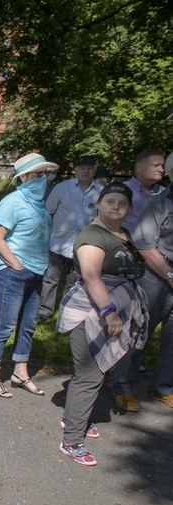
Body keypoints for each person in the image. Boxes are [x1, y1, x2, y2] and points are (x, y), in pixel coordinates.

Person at [56, 183, 147, 465]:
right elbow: (92, 275)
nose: (116, 206)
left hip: (113, 311)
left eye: (122, 203)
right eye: (110, 201)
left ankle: (76, 418)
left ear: (130, 208)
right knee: (90, 374)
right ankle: (71, 441)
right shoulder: (93, 235)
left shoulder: (121, 234)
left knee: (98, 371)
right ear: (99, 203)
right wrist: (109, 312)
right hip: (92, 313)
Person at [0, 153, 58, 399]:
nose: (42, 178)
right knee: (4, 325)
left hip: (36, 272)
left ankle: (20, 372)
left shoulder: (40, 204)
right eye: (37, 174)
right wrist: (15, 265)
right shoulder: (12, 202)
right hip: (12, 273)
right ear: (23, 177)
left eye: (44, 174)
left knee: (28, 325)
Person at [112, 152, 173, 412]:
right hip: (155, 275)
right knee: (139, 333)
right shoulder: (159, 203)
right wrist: (170, 276)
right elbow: (146, 245)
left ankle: (164, 389)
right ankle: (124, 388)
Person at [37, 155, 103, 321]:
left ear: (94, 170)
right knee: (50, 279)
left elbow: (101, 219)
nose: (86, 171)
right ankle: (44, 312)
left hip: (83, 247)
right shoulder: (62, 188)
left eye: (89, 168)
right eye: (82, 168)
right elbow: (48, 212)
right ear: (75, 170)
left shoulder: (101, 192)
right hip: (58, 243)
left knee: (73, 281)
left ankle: (66, 312)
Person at [122, 149, 166, 232]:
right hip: (126, 243)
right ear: (139, 167)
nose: (161, 170)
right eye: (156, 165)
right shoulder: (121, 190)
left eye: (162, 166)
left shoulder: (166, 193)